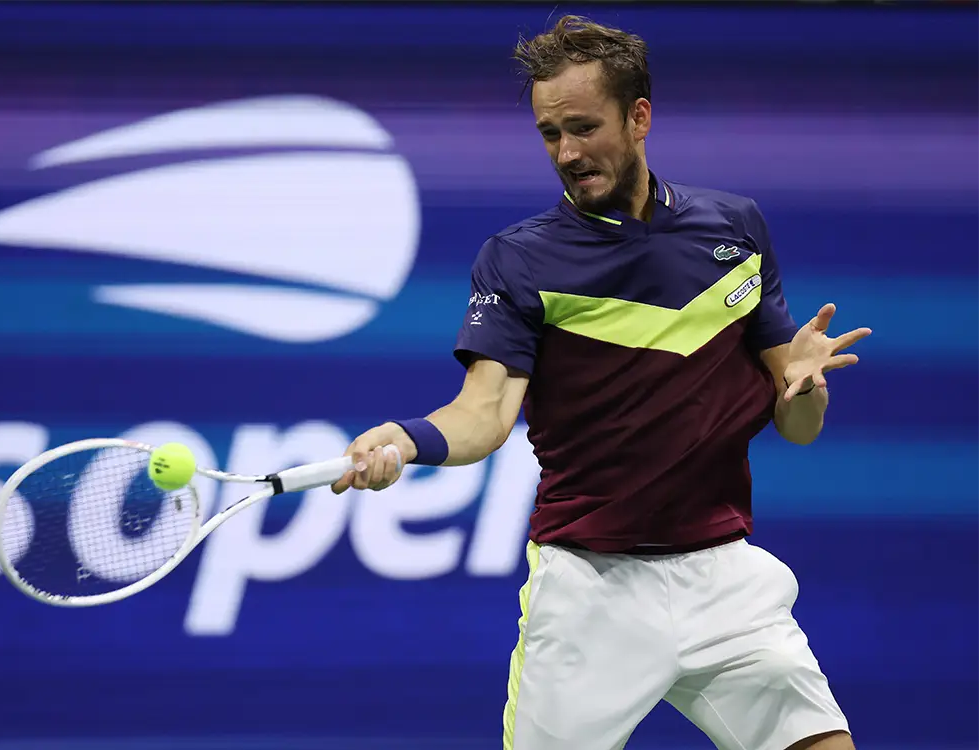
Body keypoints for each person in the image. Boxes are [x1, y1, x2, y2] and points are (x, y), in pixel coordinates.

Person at [329, 13, 872, 750]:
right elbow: (483, 414)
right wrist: (406, 439)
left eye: (584, 128)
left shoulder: (735, 229)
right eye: (551, 134)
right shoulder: (520, 260)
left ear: (638, 117)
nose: (567, 153)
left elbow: (798, 428)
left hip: (725, 579)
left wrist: (806, 390)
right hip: (590, 592)